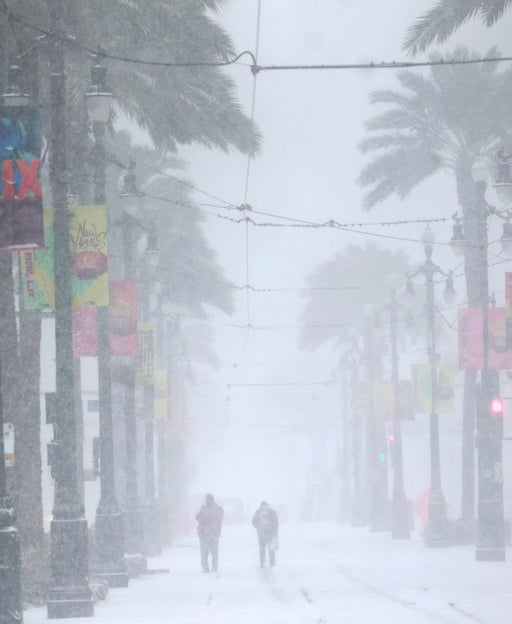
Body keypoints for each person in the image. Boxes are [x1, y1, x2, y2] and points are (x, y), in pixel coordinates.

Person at [195, 493, 224, 573]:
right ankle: (205, 568)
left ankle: (214, 567)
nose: (207, 501)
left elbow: (219, 519)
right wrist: (203, 517)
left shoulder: (217, 509)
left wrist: (208, 519)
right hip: (203, 534)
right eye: (206, 500)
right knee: (204, 553)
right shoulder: (203, 508)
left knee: (214, 552)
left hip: (213, 534)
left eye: (208, 500)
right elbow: (196, 517)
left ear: (212, 500)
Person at [251, 501, 279, 568]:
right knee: (265, 549)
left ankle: (266, 563)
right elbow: (276, 523)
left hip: (266, 534)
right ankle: (268, 563)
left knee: (266, 549)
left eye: (265, 507)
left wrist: (259, 527)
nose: (264, 508)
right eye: (263, 507)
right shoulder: (261, 512)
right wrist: (259, 527)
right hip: (265, 534)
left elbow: (276, 523)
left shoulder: (259, 512)